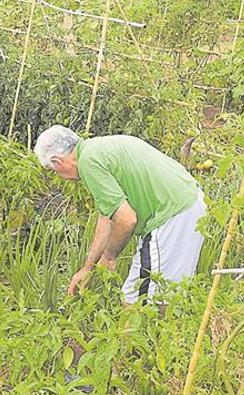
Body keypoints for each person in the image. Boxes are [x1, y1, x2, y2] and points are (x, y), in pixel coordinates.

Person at [33, 125, 206, 305]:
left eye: (54, 171)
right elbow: (107, 218)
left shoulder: (88, 163)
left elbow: (126, 220)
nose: (60, 177)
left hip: (172, 215)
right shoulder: (98, 148)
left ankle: (129, 334)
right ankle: (168, 334)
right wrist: (88, 267)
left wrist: (109, 256)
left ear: (58, 161)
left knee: (133, 300)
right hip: (190, 203)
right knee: (167, 297)